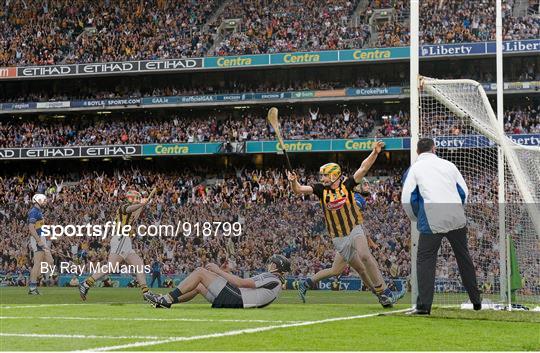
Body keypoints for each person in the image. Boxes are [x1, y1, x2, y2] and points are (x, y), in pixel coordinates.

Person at [287, 141, 399, 307]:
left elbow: (363, 168)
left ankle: (384, 292)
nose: (322, 178)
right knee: (356, 269)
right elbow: (298, 190)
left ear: (333, 175)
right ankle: (381, 295)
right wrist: (293, 182)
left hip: (354, 229)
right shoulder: (320, 189)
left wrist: (375, 153)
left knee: (365, 256)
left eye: (325, 175)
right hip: (339, 238)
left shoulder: (348, 185)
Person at [401, 138, 482, 315]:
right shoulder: (449, 165)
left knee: (425, 260)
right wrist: (457, 210)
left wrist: (416, 217)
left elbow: (407, 199)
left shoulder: (413, 169)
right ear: (434, 149)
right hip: (455, 216)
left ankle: (424, 306)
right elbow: (464, 191)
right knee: (463, 257)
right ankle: (476, 301)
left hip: (432, 217)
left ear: (417, 151)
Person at [79, 188, 156, 300]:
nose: (139, 200)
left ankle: (145, 293)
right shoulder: (124, 206)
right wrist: (141, 203)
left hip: (126, 241)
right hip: (121, 238)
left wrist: (144, 204)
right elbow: (130, 208)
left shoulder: (134, 211)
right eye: (137, 198)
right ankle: (86, 283)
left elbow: (137, 211)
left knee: (139, 266)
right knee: (111, 266)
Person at [143, 254, 290, 309]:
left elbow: (241, 284)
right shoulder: (275, 282)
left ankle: (166, 298)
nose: (268, 265)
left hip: (238, 299)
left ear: (275, 266)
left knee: (200, 272)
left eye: (271, 263)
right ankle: (165, 303)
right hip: (239, 300)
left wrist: (218, 271)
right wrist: (225, 272)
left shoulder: (271, 277)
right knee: (199, 286)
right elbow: (243, 287)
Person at [27, 193, 53, 295]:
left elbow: (39, 227)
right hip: (37, 240)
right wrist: (39, 241)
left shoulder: (39, 211)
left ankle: (37, 278)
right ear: (38, 200)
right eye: (44, 200)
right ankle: (33, 287)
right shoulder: (34, 212)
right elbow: (31, 228)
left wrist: (46, 236)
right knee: (37, 264)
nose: (45, 202)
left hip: (41, 238)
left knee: (50, 261)